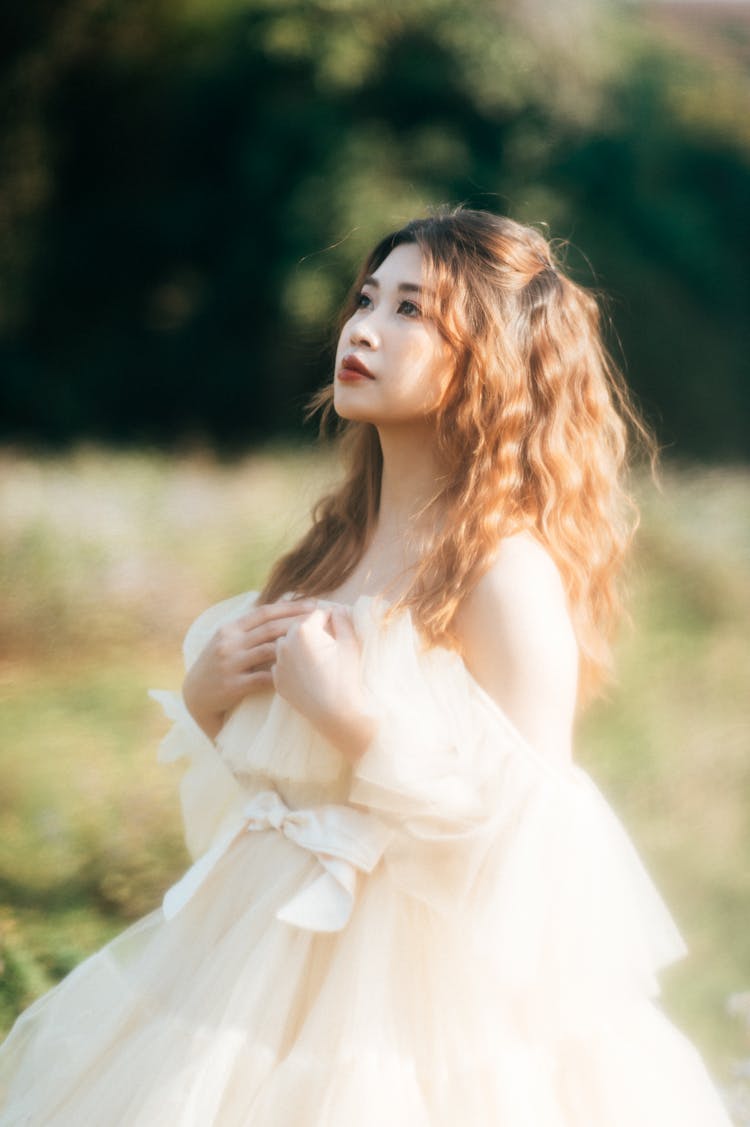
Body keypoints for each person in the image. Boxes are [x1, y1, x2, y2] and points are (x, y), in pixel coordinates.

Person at [0, 208, 733, 1125]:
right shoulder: (331, 549)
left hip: (416, 1013)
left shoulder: (503, 573)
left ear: (492, 357)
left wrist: (355, 717)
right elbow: (274, 801)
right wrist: (209, 696)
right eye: (367, 298)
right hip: (254, 960)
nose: (363, 328)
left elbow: (538, 852)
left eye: (413, 311)